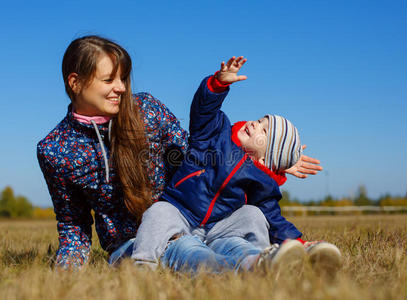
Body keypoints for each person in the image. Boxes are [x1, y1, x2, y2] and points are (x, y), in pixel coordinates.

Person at [37, 36, 323, 269]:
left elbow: (197, 156)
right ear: (75, 82)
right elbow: (73, 224)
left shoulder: (146, 110)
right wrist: (65, 274)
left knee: (242, 222)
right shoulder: (54, 150)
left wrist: (268, 165)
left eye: (124, 78)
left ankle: (265, 261)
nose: (122, 88)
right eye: (110, 80)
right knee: (183, 245)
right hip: (135, 242)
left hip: (196, 223)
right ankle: (239, 270)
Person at [132, 57, 342, 274]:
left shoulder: (262, 181)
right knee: (158, 212)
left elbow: (273, 217)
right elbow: (203, 110)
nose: (255, 124)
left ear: (264, 159)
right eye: (260, 120)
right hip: (181, 212)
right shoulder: (215, 132)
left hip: (219, 227)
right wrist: (218, 84)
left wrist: (296, 240)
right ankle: (142, 265)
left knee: (254, 214)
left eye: (264, 131)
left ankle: (266, 258)